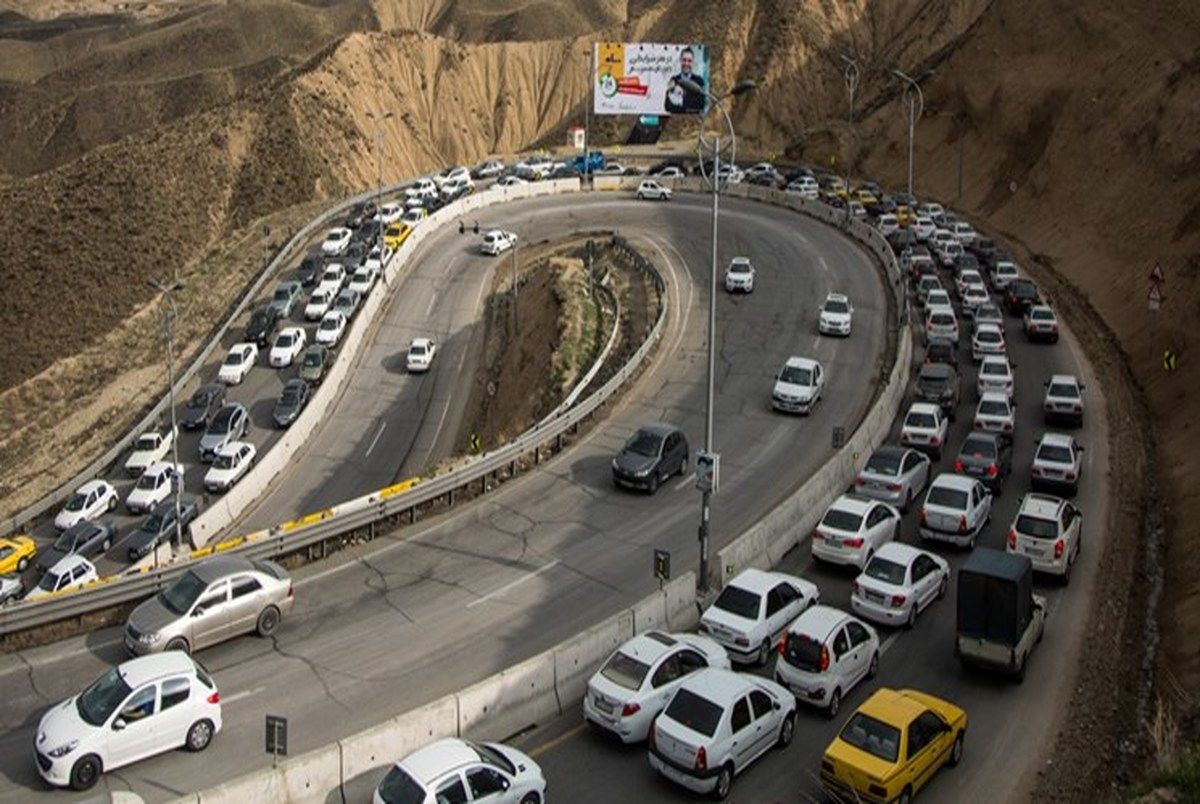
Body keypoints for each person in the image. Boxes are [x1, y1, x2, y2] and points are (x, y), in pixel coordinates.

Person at [664, 47, 706, 113]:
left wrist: (681, 101)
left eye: (689, 61)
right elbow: (667, 106)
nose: (686, 63)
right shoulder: (674, 80)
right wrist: (690, 102)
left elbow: (701, 104)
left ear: (693, 62)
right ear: (680, 61)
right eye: (684, 60)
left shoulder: (699, 81)